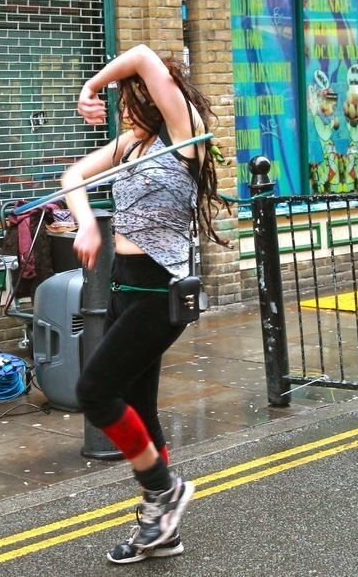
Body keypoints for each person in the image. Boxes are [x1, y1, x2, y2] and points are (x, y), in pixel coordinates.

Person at [63, 44, 228, 564]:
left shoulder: (182, 140)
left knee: (94, 390)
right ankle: (163, 529)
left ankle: (165, 489)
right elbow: (72, 177)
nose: (125, 116)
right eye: (121, 110)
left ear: (156, 106)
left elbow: (141, 55)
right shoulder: (129, 147)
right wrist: (87, 221)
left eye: (132, 106)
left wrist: (92, 85)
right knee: (138, 408)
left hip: (162, 292)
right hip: (123, 286)